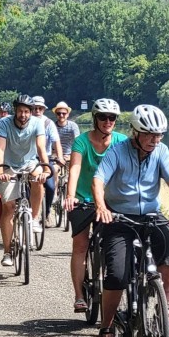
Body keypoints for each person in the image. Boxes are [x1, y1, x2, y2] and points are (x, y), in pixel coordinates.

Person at [92, 104, 169, 337]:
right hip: (119, 217)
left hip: (150, 214)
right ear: (135, 132)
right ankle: (106, 326)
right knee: (117, 274)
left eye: (158, 135)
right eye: (149, 134)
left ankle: (164, 305)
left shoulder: (161, 151)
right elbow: (98, 180)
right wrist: (102, 207)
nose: (154, 140)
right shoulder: (117, 151)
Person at [64, 98, 125, 313]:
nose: (108, 121)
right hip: (84, 199)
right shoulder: (82, 141)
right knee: (80, 246)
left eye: (112, 118)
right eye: (103, 117)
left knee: (114, 246)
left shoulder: (122, 141)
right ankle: (79, 296)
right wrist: (70, 195)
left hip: (111, 201)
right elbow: (75, 168)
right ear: (95, 119)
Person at [0, 94, 50, 267]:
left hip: (30, 163)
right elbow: (0, 149)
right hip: (8, 165)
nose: (23, 115)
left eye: (26, 111)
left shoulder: (37, 123)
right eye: (20, 111)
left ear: (31, 112)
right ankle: (7, 252)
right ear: (15, 111)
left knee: (39, 179)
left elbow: (41, 147)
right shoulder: (4, 123)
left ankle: (34, 218)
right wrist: (0, 170)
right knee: (8, 208)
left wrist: (46, 168)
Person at [30, 96, 64, 216]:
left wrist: (60, 157)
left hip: (46, 159)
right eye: (35, 108)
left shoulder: (48, 123)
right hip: (29, 159)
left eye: (40, 108)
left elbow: (56, 142)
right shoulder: (26, 122)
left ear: (44, 109)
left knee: (50, 187)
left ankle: (47, 212)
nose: (37, 111)